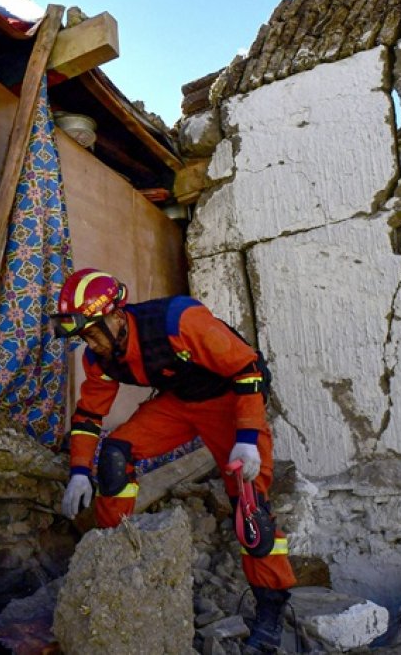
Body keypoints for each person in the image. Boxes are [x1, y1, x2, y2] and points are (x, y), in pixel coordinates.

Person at [51, 268, 296, 652]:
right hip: (180, 404)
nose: (90, 343)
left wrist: (247, 437)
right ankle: (115, 560)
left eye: (93, 331)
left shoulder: (178, 321)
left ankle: (271, 609)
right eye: (82, 337)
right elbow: (87, 417)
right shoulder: (100, 357)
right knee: (116, 456)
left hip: (232, 400)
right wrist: (80, 472)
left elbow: (247, 368)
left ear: (116, 315)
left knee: (252, 512)